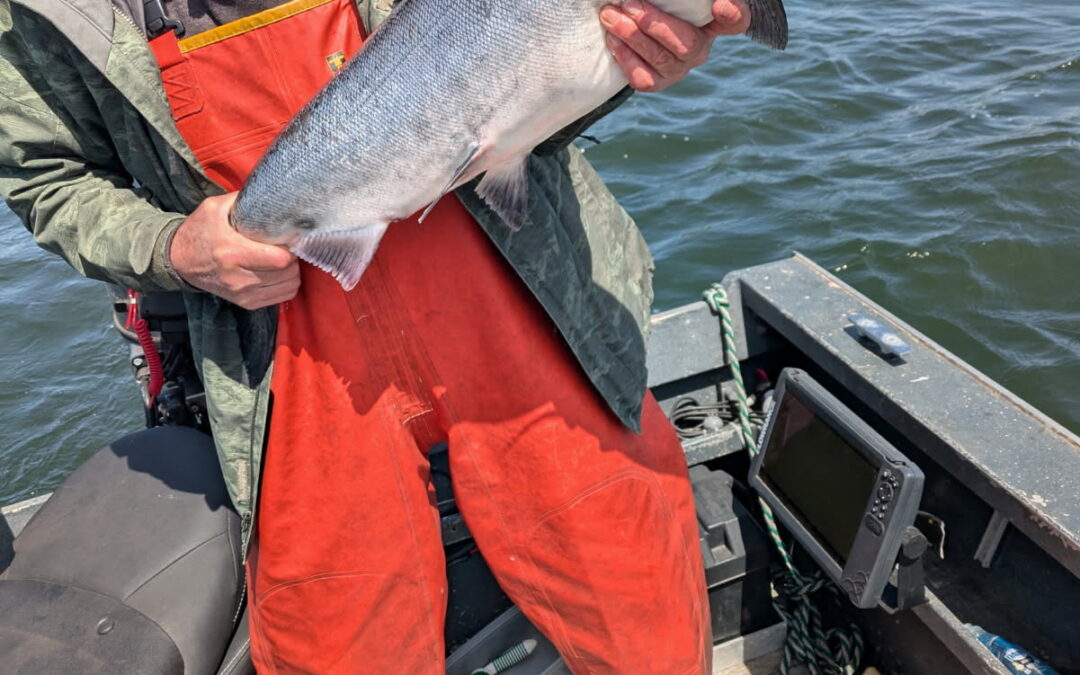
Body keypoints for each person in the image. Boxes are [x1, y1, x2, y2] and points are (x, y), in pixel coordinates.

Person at [0, 0, 752, 672]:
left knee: (638, 596)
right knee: (337, 640)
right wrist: (173, 248)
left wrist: (629, 55)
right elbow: (45, 179)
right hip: (286, 350)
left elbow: (540, 56)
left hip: (525, 294)